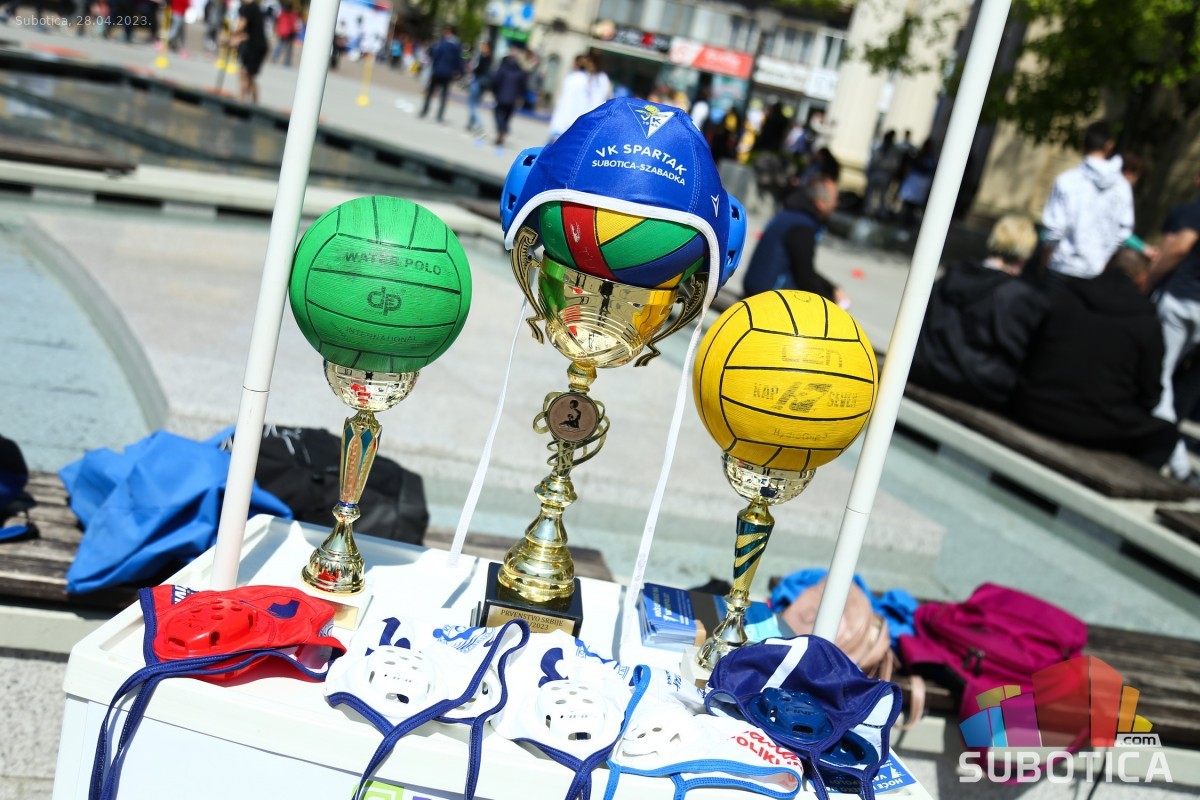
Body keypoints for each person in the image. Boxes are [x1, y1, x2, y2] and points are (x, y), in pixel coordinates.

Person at [1010, 247, 1182, 472]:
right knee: (1166, 434)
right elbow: (1150, 394)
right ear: (1141, 278)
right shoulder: (1146, 323)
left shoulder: (1065, 296)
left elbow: (1029, 349)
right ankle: (1121, 481)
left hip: (1033, 405)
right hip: (1098, 425)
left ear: (1105, 266)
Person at [909, 215, 1049, 409]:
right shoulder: (1018, 297)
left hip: (924, 367)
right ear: (1025, 257)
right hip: (977, 386)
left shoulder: (954, 274)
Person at [1146, 172, 1200, 480]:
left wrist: (1150, 279)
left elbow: (1178, 247)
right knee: (1183, 384)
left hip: (1181, 302)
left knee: (1159, 378)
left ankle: (1176, 460)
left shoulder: (1192, 211)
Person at [741, 158, 849, 308]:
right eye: (834, 199)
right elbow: (805, 278)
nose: (837, 203)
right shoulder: (802, 227)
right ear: (820, 203)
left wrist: (831, 288)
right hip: (767, 298)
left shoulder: (791, 214)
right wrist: (831, 302)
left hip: (757, 289)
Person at [1041, 120, 1134, 280]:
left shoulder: (1067, 180)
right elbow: (1123, 232)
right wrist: (1105, 259)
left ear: (1082, 146)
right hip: (1096, 272)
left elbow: (1055, 229)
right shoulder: (1122, 186)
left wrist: (1043, 261)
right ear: (1109, 146)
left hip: (1061, 267)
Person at [419, 25, 463, 123]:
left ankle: (424, 111)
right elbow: (459, 60)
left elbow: (435, 55)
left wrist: (430, 65)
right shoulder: (457, 45)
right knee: (444, 95)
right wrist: (460, 72)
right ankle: (440, 115)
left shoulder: (442, 43)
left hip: (438, 71)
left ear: (449, 32)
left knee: (430, 92)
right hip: (448, 73)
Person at [546, 54, 590, 143]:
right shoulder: (588, 80)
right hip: (573, 122)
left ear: (576, 64)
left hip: (563, 121)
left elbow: (565, 102)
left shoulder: (572, 78)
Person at [231, 0, 267, 104]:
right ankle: (253, 102)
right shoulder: (255, 8)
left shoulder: (249, 8)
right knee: (249, 76)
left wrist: (232, 35)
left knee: (245, 73)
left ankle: (241, 100)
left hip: (254, 46)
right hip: (257, 45)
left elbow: (241, 25)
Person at [490, 51, 527, 148]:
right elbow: (523, 87)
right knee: (507, 117)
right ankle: (503, 130)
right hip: (513, 99)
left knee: (497, 114)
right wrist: (519, 97)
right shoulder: (520, 73)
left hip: (501, 97)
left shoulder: (503, 69)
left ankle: (501, 130)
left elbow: (495, 81)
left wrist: (495, 93)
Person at [864, 130, 902, 219]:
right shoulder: (879, 147)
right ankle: (868, 210)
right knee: (871, 194)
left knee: (883, 195)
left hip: (885, 174)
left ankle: (881, 212)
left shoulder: (894, 150)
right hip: (876, 172)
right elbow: (873, 160)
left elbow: (894, 164)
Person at [465, 40, 492, 136]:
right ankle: (469, 125)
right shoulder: (489, 57)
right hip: (483, 84)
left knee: (472, 105)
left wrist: (472, 69)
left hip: (477, 82)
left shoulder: (482, 57)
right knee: (475, 104)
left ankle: (480, 126)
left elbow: (478, 69)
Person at [270, 2, 298, 66]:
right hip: (288, 32)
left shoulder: (282, 13)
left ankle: (276, 57)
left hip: (283, 32)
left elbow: (278, 22)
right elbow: (293, 24)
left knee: (281, 45)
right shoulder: (291, 14)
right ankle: (286, 62)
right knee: (287, 48)